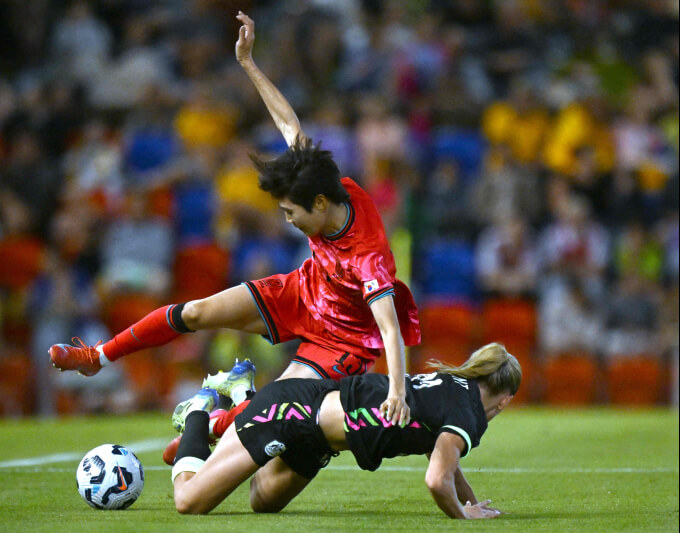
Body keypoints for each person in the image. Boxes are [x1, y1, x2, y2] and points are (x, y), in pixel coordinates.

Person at [49, 11, 420, 451]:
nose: (288, 220)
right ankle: (98, 356)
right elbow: (288, 123)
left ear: (320, 205)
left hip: (344, 339)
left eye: (291, 213)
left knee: (277, 404)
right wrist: (248, 63)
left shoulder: (366, 256)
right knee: (195, 313)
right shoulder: (318, 179)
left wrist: (397, 392)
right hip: (304, 292)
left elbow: (389, 329)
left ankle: (213, 425)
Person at [171, 343, 520, 518]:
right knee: (189, 502)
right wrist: (463, 514)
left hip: (317, 439)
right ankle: (198, 412)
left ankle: (242, 396)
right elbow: (436, 480)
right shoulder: (467, 412)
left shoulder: (453, 386)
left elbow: (443, 455)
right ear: (505, 400)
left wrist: (471, 502)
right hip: (292, 411)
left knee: (264, 503)